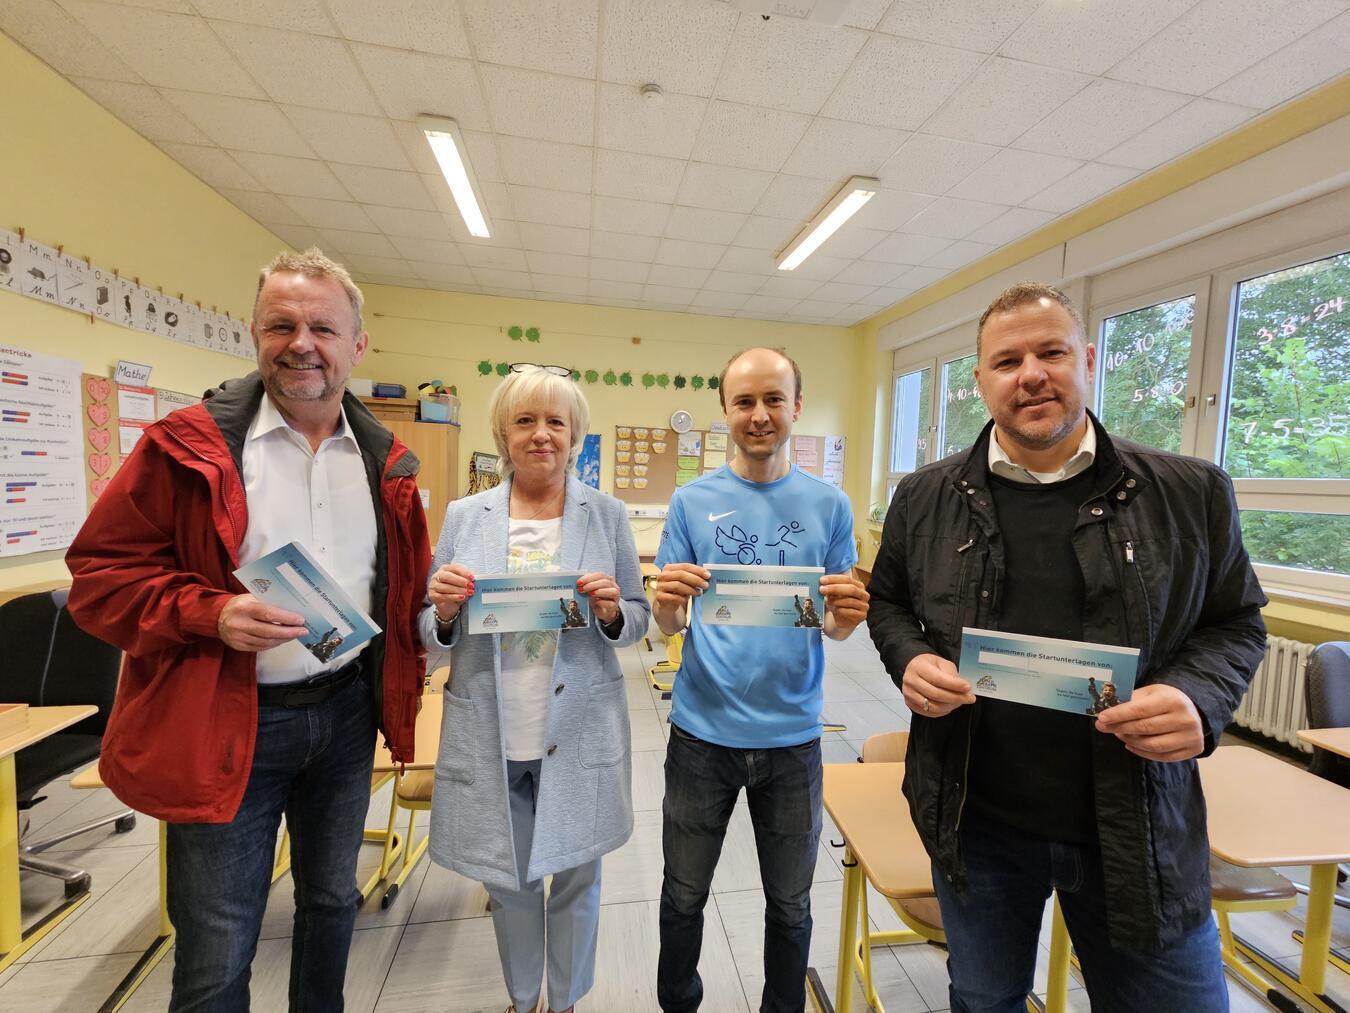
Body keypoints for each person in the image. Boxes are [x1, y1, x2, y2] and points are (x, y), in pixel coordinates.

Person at [868, 282, 1267, 1012]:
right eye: (1007, 360)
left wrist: (1196, 697)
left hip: (1134, 824)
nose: (1031, 374)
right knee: (985, 998)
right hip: (975, 819)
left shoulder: (1189, 492)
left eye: (1050, 352)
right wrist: (909, 659)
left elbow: (1237, 622)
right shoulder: (925, 496)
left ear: (1085, 360)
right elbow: (888, 601)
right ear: (981, 380)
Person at [65, 248, 431, 1010]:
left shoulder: (386, 463)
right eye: (282, 324)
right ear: (255, 333)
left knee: (332, 902)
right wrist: (211, 611)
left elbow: (406, 596)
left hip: (345, 712)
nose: (303, 342)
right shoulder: (186, 446)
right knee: (219, 941)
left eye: (324, 327)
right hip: (226, 718)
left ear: (357, 345)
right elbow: (99, 582)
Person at [422, 364, 650, 1013]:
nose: (542, 434)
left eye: (556, 421)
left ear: (576, 434)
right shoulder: (466, 517)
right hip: (494, 730)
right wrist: (440, 610)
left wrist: (611, 613)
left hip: (578, 729)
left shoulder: (604, 515)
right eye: (525, 420)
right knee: (511, 877)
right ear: (503, 433)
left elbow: (634, 615)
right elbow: (429, 623)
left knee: (579, 875)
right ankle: (524, 1000)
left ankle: (568, 998)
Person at [652, 347, 870, 1013]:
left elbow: (832, 626)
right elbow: (667, 621)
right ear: (725, 411)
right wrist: (668, 597)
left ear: (796, 407)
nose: (759, 414)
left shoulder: (829, 505)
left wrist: (849, 616)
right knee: (684, 892)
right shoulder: (692, 502)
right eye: (744, 401)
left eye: (773, 399)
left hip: (794, 738)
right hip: (701, 734)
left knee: (791, 902)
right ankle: (678, 1001)